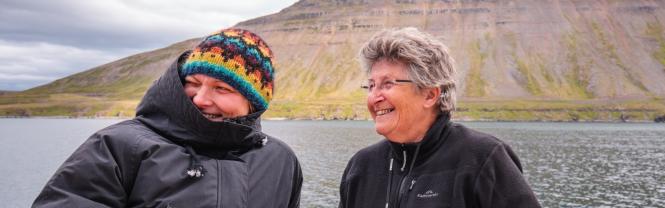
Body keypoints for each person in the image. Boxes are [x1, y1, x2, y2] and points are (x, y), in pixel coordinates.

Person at [33, 28, 302, 207]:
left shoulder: (281, 161)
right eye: (194, 82)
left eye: (222, 88)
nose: (199, 99)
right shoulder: (118, 146)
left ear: (253, 102)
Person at [338, 27, 541, 208]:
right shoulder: (361, 167)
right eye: (371, 85)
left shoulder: (483, 159)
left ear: (430, 95)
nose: (374, 97)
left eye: (387, 84)